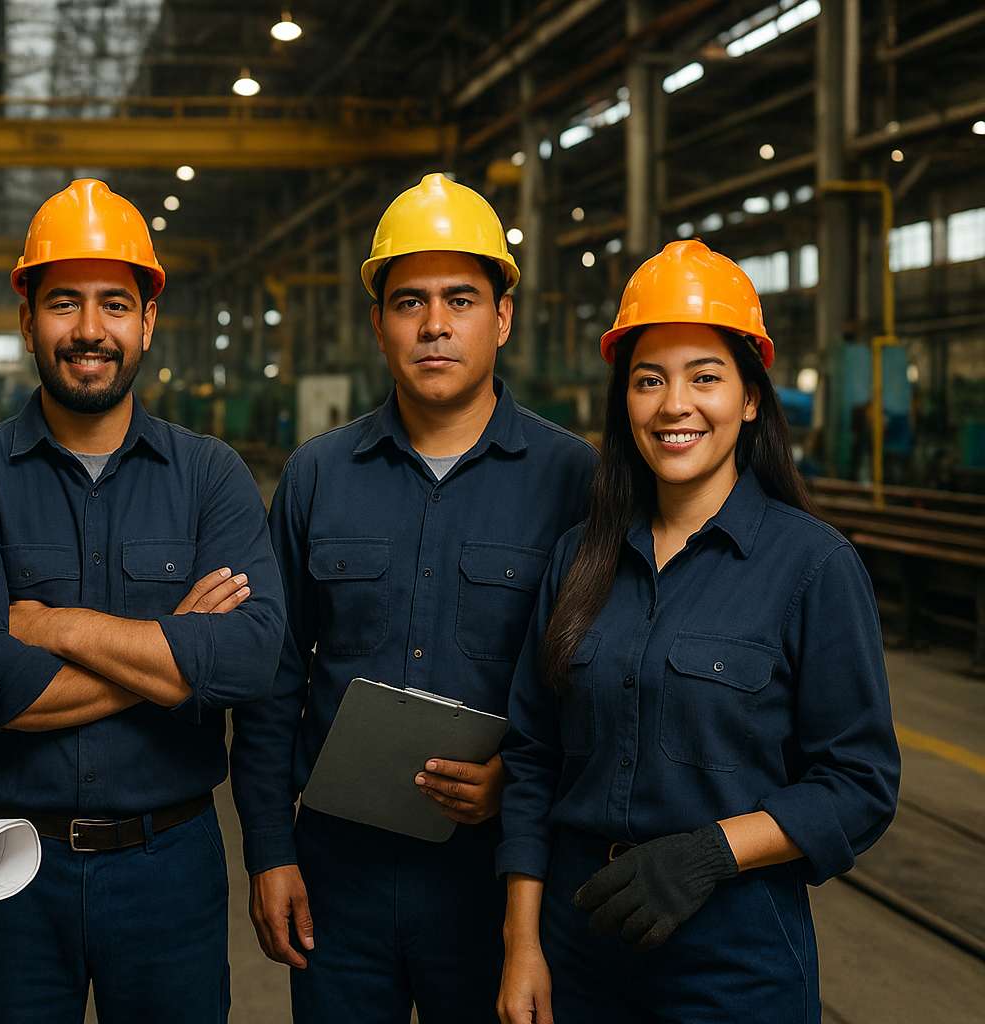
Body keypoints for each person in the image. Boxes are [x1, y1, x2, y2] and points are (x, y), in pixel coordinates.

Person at [495, 240, 901, 1024]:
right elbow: (532, 761)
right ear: (625, 403)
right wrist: (523, 946)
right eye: (649, 380)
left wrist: (712, 851)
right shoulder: (579, 560)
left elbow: (859, 784)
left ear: (751, 398)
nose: (674, 404)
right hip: (578, 944)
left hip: (733, 956)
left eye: (705, 377)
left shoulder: (811, 567)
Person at [229, 172, 598, 1023]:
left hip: (498, 876)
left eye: (461, 299)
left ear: (501, 317)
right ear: (379, 322)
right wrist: (268, 851)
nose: (435, 324)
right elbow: (272, 680)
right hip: (338, 874)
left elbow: (601, 679)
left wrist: (514, 778)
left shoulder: (572, 480)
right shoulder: (318, 475)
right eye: (410, 301)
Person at [0, 178, 285, 1024]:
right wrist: (177, 651)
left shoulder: (211, 476)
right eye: (64, 303)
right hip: (11, 864)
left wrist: (56, 626)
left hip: (173, 864)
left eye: (114, 305)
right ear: (28, 319)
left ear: (148, 321)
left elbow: (251, 656)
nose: (90, 330)